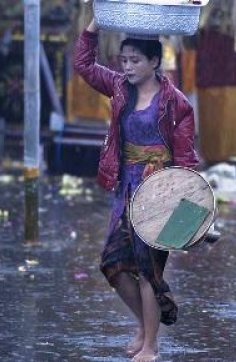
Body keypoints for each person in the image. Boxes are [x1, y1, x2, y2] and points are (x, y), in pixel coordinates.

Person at [73, 15, 199, 362]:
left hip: (160, 190)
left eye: (135, 60)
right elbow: (83, 64)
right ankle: (146, 325)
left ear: (155, 62)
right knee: (112, 264)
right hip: (126, 187)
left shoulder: (176, 103)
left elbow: (186, 160)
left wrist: (192, 214)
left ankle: (151, 346)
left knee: (147, 269)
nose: (127, 67)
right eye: (123, 60)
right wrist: (95, 25)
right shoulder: (118, 87)